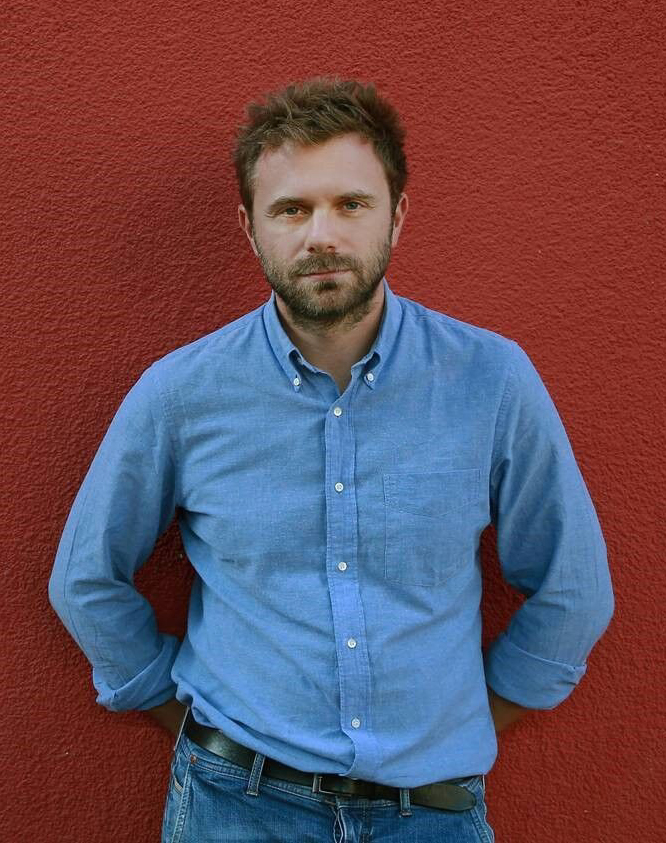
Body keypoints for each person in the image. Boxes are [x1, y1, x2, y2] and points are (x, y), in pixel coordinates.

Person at [49, 77, 614, 843]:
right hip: (234, 806)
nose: (322, 234)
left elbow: (574, 590)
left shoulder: (490, 380)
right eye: (292, 209)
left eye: (351, 204)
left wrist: (468, 723)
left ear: (397, 214)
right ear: (250, 228)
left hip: (432, 815)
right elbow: (83, 578)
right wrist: (176, 710)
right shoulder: (182, 393)